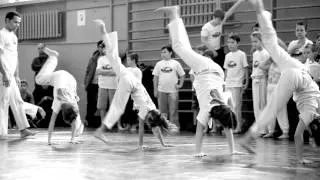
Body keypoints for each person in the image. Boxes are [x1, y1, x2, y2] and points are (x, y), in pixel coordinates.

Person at [155, 6, 243, 156]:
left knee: (184, 47)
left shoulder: (222, 104)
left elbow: (230, 109)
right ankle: (175, 14)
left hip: (216, 72)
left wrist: (233, 149)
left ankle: (175, 16)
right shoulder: (207, 109)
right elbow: (200, 130)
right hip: (206, 69)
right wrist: (198, 152)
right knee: (178, 46)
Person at [240, 0, 320, 164]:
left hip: (298, 70)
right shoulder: (310, 113)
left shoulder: (315, 111)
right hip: (298, 76)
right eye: (313, 141)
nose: (311, 142)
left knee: (274, 48)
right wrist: (300, 159)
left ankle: (262, 14)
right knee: (272, 107)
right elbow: (298, 135)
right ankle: (249, 137)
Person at [93, 19, 178, 149]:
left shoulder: (154, 109)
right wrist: (140, 144)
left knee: (114, 58)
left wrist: (163, 143)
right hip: (130, 82)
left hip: (129, 81)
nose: (148, 123)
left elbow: (155, 126)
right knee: (118, 106)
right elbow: (142, 128)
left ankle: (104, 29)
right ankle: (101, 131)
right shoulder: (147, 109)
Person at [35, 44, 84, 145]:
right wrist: (49, 141)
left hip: (71, 81)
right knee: (38, 80)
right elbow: (52, 122)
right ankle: (53, 57)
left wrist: (71, 139)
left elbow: (53, 121)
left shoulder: (72, 104)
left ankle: (53, 57)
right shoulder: (58, 101)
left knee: (76, 116)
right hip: (61, 78)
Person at [0, 11, 36, 139]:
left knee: (18, 101)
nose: (17, 25)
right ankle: (2, 132)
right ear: (7, 21)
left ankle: (23, 129)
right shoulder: (1, 35)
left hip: (12, 75)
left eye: (19, 23)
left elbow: (16, 57)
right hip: (3, 74)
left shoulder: (14, 37)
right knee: (3, 102)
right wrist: (4, 74)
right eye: (15, 22)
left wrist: (17, 75)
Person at [200, 0, 245, 68]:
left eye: (221, 20)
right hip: (210, 51)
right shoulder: (206, 27)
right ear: (214, 17)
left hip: (218, 50)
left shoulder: (220, 22)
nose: (220, 22)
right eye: (218, 20)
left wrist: (239, 1)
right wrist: (212, 50)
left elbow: (230, 11)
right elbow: (204, 40)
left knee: (222, 67)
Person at [153, 45, 185, 131]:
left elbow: (182, 75)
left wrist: (180, 85)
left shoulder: (176, 63)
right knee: (162, 111)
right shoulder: (158, 64)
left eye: (165, 52)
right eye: (162, 52)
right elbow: (155, 78)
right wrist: (155, 90)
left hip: (173, 91)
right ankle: (164, 126)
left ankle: (174, 126)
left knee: (173, 110)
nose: (163, 54)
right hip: (161, 90)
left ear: (170, 53)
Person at [224, 33, 249, 133]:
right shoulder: (227, 55)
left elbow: (245, 68)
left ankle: (238, 126)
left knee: (237, 106)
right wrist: (224, 82)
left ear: (237, 43)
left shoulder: (241, 54)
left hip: (237, 83)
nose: (230, 45)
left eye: (232, 42)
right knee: (229, 107)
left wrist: (246, 81)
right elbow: (226, 70)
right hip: (228, 83)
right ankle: (231, 126)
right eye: (229, 42)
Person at [250, 31, 268, 136]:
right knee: (256, 105)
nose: (254, 44)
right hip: (255, 79)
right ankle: (258, 127)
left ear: (262, 41)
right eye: (253, 42)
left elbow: (266, 69)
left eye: (256, 41)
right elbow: (254, 67)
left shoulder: (265, 53)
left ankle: (264, 129)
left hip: (262, 79)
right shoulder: (255, 53)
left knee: (262, 104)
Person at [84, 40, 104, 127]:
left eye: (102, 47)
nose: (101, 48)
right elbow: (87, 71)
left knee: (100, 104)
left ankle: (99, 122)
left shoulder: (107, 58)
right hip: (92, 83)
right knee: (90, 103)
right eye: (99, 46)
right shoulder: (93, 58)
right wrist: (86, 83)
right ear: (98, 47)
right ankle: (89, 121)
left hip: (102, 84)